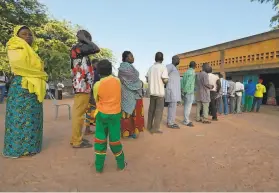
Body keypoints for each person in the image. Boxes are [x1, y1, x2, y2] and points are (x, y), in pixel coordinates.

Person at [3, 26, 48, 158]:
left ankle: (32, 147)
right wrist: (40, 73)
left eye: (30, 34)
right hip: (21, 86)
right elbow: (20, 66)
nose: (28, 36)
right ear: (17, 36)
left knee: (33, 117)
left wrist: (39, 74)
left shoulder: (32, 51)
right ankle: (16, 149)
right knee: (18, 118)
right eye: (24, 34)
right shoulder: (14, 47)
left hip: (33, 87)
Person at [93, 59, 127, 173]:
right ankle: (121, 164)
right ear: (111, 70)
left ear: (98, 72)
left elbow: (96, 99)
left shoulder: (97, 85)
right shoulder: (117, 81)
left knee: (100, 140)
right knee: (115, 140)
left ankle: (99, 167)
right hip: (115, 115)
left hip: (101, 115)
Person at [70, 30, 100, 148]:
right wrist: (85, 39)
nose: (90, 41)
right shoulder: (79, 48)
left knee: (79, 113)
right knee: (79, 114)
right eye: (89, 38)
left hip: (83, 86)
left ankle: (76, 138)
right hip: (82, 86)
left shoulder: (80, 51)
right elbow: (96, 48)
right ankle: (77, 141)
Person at [118, 51, 144, 138]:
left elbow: (133, 79)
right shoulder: (125, 67)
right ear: (126, 58)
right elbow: (134, 80)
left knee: (130, 113)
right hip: (128, 93)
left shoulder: (129, 67)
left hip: (130, 93)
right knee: (128, 113)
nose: (133, 58)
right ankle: (127, 132)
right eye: (131, 56)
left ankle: (130, 131)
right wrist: (140, 84)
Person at [146, 52, 168, 134]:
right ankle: (155, 128)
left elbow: (147, 79)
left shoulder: (151, 68)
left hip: (152, 92)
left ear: (155, 58)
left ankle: (149, 126)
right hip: (160, 93)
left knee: (151, 110)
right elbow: (165, 79)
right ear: (162, 59)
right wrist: (165, 82)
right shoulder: (163, 67)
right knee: (158, 111)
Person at [84, 59, 100, 135]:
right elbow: (93, 85)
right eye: (96, 64)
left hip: (90, 94)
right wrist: (92, 96)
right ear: (93, 64)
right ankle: (89, 129)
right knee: (93, 111)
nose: (98, 65)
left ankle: (87, 129)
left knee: (90, 111)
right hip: (92, 94)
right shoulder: (95, 73)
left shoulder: (91, 72)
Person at [165, 55, 181, 129]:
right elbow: (164, 75)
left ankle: (171, 121)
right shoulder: (170, 66)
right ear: (173, 59)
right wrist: (166, 84)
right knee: (172, 107)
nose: (179, 60)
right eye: (178, 59)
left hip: (175, 91)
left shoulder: (175, 68)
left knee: (173, 107)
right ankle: (170, 123)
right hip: (171, 90)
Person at [181, 61, 196, 127]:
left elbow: (182, 81)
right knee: (188, 107)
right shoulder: (192, 72)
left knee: (186, 106)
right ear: (194, 66)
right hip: (189, 91)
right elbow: (189, 82)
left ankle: (185, 119)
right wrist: (186, 90)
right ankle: (186, 121)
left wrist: (182, 90)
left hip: (185, 91)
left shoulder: (186, 72)